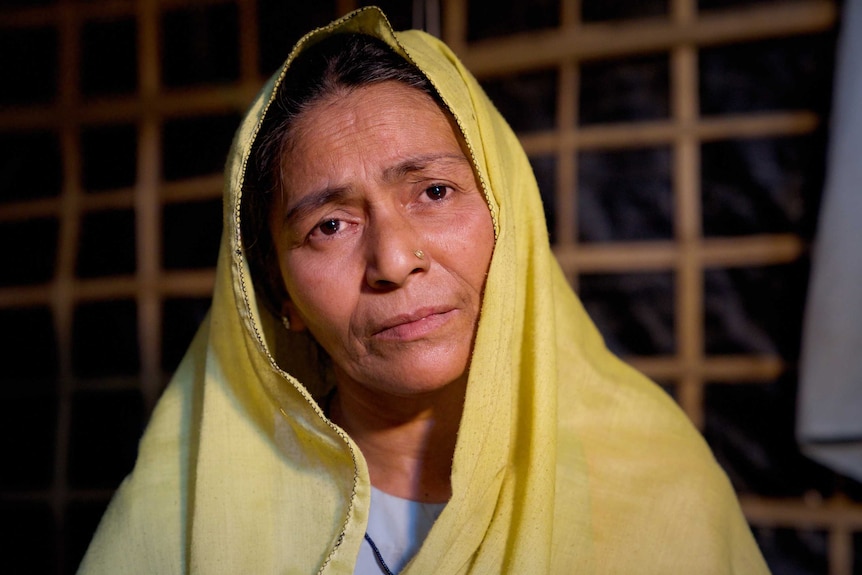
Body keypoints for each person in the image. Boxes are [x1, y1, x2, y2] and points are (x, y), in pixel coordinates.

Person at [78, 7, 770, 574]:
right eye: (329, 225)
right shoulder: (193, 517)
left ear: (509, 217)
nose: (393, 258)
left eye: (434, 191)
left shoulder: (653, 486)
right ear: (277, 293)